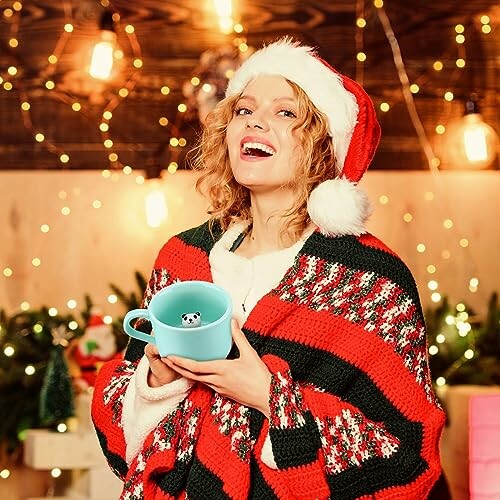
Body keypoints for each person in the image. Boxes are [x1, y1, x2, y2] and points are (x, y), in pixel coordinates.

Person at [92, 38, 445, 499]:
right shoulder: (183, 258)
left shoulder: (369, 279)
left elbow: (406, 454)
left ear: (323, 144)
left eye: (285, 113)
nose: (256, 120)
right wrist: (158, 382)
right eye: (244, 110)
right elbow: (125, 440)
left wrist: (268, 395)